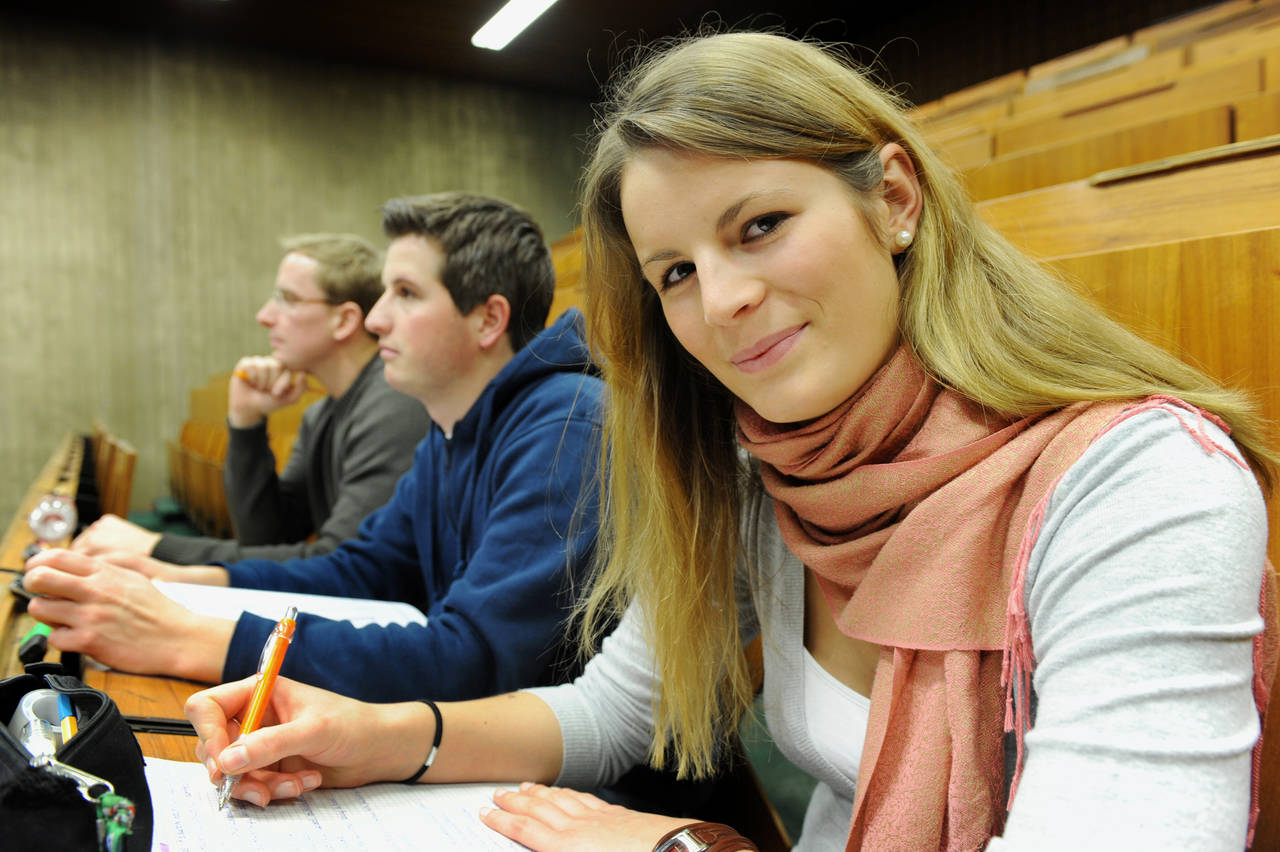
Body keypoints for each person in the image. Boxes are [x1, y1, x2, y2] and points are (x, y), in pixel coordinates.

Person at [183, 33, 1279, 851]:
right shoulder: (765, 473)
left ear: (891, 199)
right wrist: (379, 736)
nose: (724, 300)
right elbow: (615, 708)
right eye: (675, 273)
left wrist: (678, 847)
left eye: (758, 226)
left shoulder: (1142, 484)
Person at [25, 192, 603, 704]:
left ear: (488, 320)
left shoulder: (567, 425)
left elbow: (477, 658)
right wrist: (170, 580)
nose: (377, 319)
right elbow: (363, 571)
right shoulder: (451, 428)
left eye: (405, 293)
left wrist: (186, 637)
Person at [70, 234, 429, 564]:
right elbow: (264, 538)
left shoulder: (394, 405)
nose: (264, 317)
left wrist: (155, 548)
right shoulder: (321, 414)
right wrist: (246, 422)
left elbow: (342, 564)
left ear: (344, 320)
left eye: (286, 299)